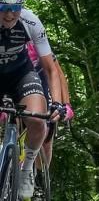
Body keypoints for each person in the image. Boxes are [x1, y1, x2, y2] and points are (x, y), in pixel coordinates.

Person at [0, 0, 65, 201]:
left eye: (15, 7)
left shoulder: (30, 21)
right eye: (3, 7)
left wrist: (57, 103)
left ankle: (26, 170)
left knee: (38, 121)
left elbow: (50, 68)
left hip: (21, 73)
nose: (10, 14)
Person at [27, 40, 74, 168]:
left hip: (42, 84)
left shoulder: (36, 39)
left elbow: (57, 73)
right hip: (13, 83)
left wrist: (66, 104)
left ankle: (40, 178)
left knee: (45, 135)